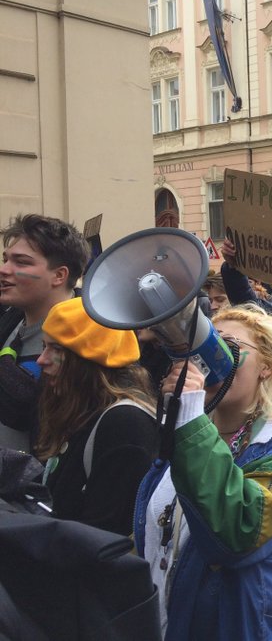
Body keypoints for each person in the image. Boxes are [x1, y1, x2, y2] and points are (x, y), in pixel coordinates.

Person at [134, 304, 272, 639]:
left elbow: (238, 532)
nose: (209, 360)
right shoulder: (187, 435)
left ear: (266, 367)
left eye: (228, 348)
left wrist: (188, 415)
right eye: (203, 347)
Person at [33, 298, 157, 534]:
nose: (42, 360)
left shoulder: (125, 424)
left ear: (90, 357)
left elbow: (102, 537)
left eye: (56, 349)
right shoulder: (80, 409)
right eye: (43, 346)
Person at [0, 214, 89, 451]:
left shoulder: (87, 343)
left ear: (59, 275)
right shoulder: (8, 324)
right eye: (5, 259)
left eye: (21, 262)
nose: (4, 269)